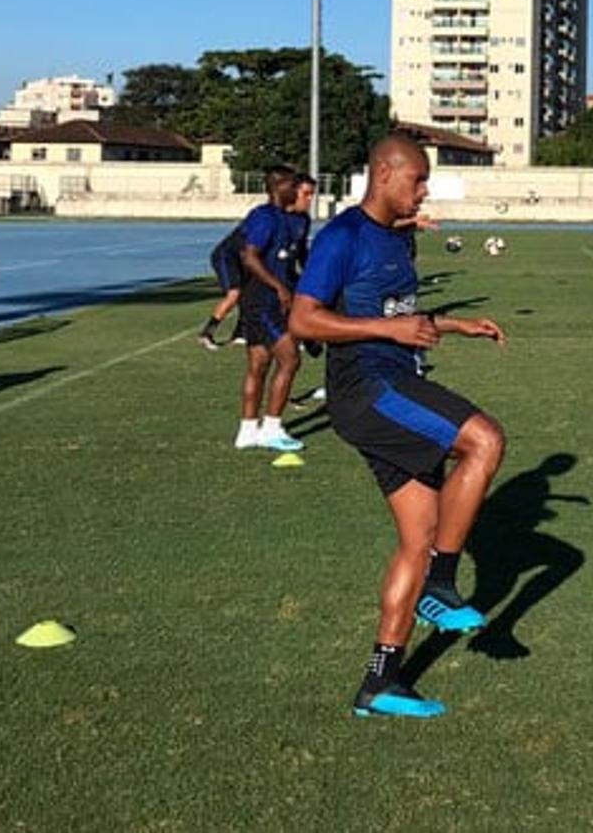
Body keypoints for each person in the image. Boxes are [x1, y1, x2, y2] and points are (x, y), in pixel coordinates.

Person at [290, 135, 507, 720]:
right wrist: (389, 334)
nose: (424, 190)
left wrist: (457, 326)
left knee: (417, 536)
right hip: (370, 389)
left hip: (389, 385)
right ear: (385, 175)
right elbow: (304, 318)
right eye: (417, 180)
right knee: (485, 440)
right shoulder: (342, 236)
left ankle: (380, 680)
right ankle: (442, 583)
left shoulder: (398, 237)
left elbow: (395, 315)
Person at [232, 168, 313, 453]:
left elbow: (303, 258)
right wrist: (278, 287)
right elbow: (249, 256)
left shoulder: (301, 219)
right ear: (280, 188)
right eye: (295, 186)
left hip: (282, 300)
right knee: (290, 359)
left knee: (260, 364)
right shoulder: (264, 217)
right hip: (263, 300)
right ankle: (271, 428)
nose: (302, 192)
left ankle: (247, 430)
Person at [199, 221, 249, 349]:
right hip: (226, 257)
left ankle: (240, 333)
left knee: (250, 293)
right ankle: (207, 333)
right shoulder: (263, 220)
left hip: (241, 259)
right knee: (234, 294)